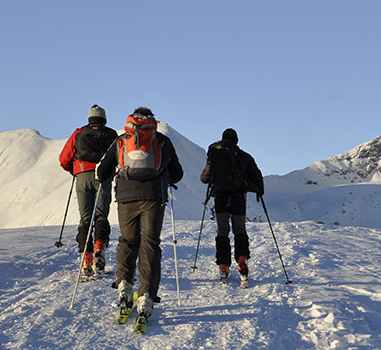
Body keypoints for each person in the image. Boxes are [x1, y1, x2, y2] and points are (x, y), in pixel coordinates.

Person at [96, 107, 183, 326]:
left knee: (128, 241)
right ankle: (146, 297)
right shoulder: (161, 141)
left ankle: (124, 288)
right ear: (152, 121)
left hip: (126, 197)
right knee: (150, 244)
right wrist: (165, 176)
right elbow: (178, 173)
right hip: (153, 197)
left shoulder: (121, 141)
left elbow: (102, 171)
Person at [59, 104, 118, 277]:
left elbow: (64, 159)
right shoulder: (112, 134)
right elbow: (118, 157)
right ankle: (100, 246)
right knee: (101, 215)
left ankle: (87, 258)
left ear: (89, 118)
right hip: (103, 178)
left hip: (82, 176)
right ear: (104, 118)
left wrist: (76, 170)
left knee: (85, 218)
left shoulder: (79, 133)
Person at [200, 128, 264, 284]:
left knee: (222, 231)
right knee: (239, 230)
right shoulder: (244, 156)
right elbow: (256, 175)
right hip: (238, 198)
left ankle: (223, 266)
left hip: (220, 197)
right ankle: (242, 260)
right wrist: (259, 191)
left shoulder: (214, 155)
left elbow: (204, 178)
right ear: (236, 141)